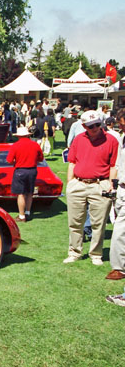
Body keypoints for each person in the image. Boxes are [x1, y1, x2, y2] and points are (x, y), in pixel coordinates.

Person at [63, 111, 118, 265]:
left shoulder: (111, 140)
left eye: (97, 125)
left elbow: (114, 165)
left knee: (98, 223)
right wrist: (70, 183)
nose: (94, 128)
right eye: (90, 126)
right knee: (75, 222)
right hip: (78, 183)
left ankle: (96, 254)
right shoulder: (79, 139)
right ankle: (74, 252)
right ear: (84, 126)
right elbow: (72, 162)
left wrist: (110, 185)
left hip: (100, 184)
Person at [6, 127, 44, 222]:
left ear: (18, 136)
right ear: (28, 135)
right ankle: (27, 212)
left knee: (21, 194)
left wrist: (15, 162)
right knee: (29, 192)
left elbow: (9, 160)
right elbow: (41, 158)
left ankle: (22, 215)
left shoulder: (15, 146)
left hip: (20, 170)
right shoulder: (35, 145)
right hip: (32, 170)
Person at [107, 109, 125, 280]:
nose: (121, 128)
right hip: (122, 189)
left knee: (120, 230)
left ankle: (119, 267)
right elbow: (118, 165)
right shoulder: (123, 139)